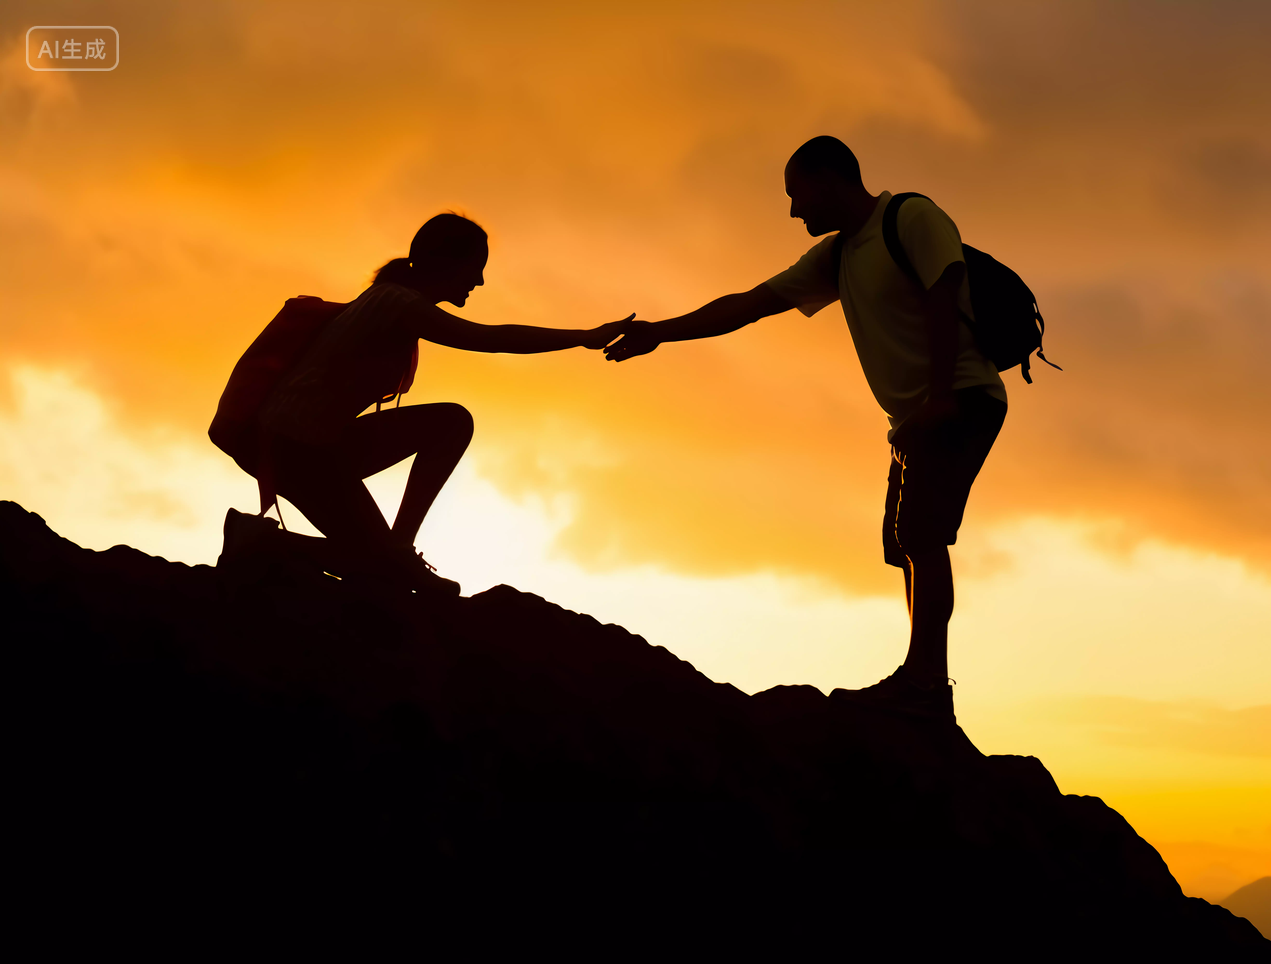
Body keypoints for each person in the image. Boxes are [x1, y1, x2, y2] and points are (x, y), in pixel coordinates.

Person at [605, 136, 1007, 718]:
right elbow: (749, 304)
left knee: (922, 536)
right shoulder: (838, 255)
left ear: (828, 180)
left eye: (798, 195)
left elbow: (945, 292)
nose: (795, 211)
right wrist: (660, 332)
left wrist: (939, 398)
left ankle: (924, 684)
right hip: (914, 419)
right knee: (907, 543)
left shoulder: (912, 216)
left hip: (960, 400)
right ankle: (926, 683)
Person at [225, 212, 630, 595]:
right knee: (382, 570)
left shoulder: (392, 301)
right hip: (294, 448)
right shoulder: (396, 303)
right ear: (442, 262)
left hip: (320, 446)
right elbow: (490, 339)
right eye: (476, 266)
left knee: (451, 422)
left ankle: (397, 549)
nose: (482, 280)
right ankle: (267, 543)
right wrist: (581, 336)